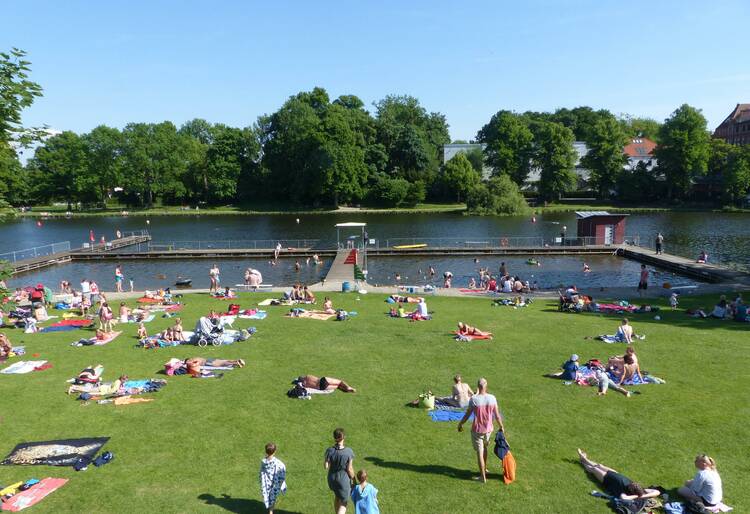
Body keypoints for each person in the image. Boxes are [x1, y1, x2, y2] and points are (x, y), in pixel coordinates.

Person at [457, 378, 505, 483]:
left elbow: (467, 415)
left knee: (480, 452)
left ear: (478, 387)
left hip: (477, 430)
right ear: (486, 386)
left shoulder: (474, 399)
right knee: (485, 448)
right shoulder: (492, 398)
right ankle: (485, 468)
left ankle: (482, 477)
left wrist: (460, 424)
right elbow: (497, 415)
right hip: (488, 429)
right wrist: (501, 426)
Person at [577, 449, 661, 500]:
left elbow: (623, 498)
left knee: (594, 469)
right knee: (599, 465)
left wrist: (637, 496)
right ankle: (584, 459)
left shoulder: (625, 493)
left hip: (606, 479)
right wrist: (641, 495)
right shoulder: (643, 491)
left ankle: (582, 460)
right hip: (615, 473)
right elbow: (657, 492)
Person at [324, 428, 355, 514]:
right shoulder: (348, 452)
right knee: (344, 502)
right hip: (343, 481)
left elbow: (326, 466)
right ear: (343, 437)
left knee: (337, 496)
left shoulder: (330, 450)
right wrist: (354, 480)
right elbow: (349, 469)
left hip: (331, 479)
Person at [259, 442, 287, 514]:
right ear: (275, 451)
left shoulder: (263, 462)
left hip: (266, 483)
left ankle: (270, 510)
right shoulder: (278, 463)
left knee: (269, 497)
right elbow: (282, 470)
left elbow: (262, 472)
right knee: (273, 498)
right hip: (274, 483)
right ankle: (271, 511)